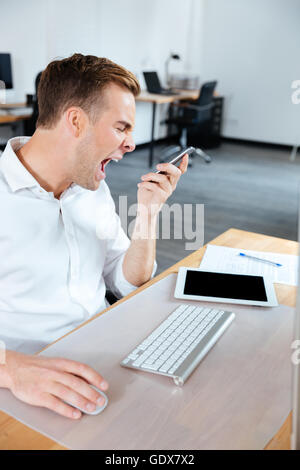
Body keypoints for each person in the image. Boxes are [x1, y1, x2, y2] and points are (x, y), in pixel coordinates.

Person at [0, 54, 188, 419]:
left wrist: (147, 215)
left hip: (108, 353)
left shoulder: (90, 187)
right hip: (32, 379)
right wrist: (10, 368)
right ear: (75, 121)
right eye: (121, 127)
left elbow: (123, 280)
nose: (131, 144)